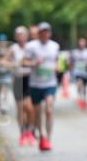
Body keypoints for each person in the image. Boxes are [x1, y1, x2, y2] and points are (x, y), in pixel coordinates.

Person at [23, 22, 60, 152]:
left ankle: (48, 139)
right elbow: (24, 61)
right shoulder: (31, 46)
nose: (45, 34)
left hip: (50, 83)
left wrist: (58, 67)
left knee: (49, 109)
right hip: (35, 84)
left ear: (49, 33)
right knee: (38, 113)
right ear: (39, 34)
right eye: (42, 32)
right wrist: (33, 63)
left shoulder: (55, 46)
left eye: (47, 32)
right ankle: (42, 136)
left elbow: (57, 62)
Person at [8, 26, 35, 146]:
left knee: (29, 108)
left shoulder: (31, 47)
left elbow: (36, 61)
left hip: (29, 79)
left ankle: (30, 130)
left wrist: (29, 63)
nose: (20, 37)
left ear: (27, 36)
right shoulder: (13, 49)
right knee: (20, 108)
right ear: (15, 37)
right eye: (18, 35)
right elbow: (3, 61)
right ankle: (22, 133)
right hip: (18, 80)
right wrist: (14, 64)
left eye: (23, 34)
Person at [70, 37, 87, 109]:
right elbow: (71, 61)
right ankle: (79, 96)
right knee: (79, 82)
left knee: (85, 86)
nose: (81, 44)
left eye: (83, 43)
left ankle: (84, 98)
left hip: (86, 72)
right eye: (80, 42)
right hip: (77, 71)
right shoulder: (74, 52)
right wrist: (70, 68)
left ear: (85, 44)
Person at [0, 34, 13, 114]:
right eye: (1, 41)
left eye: (3, 41)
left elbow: (11, 61)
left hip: (6, 73)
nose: (2, 42)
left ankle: (4, 104)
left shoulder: (8, 51)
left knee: (5, 89)